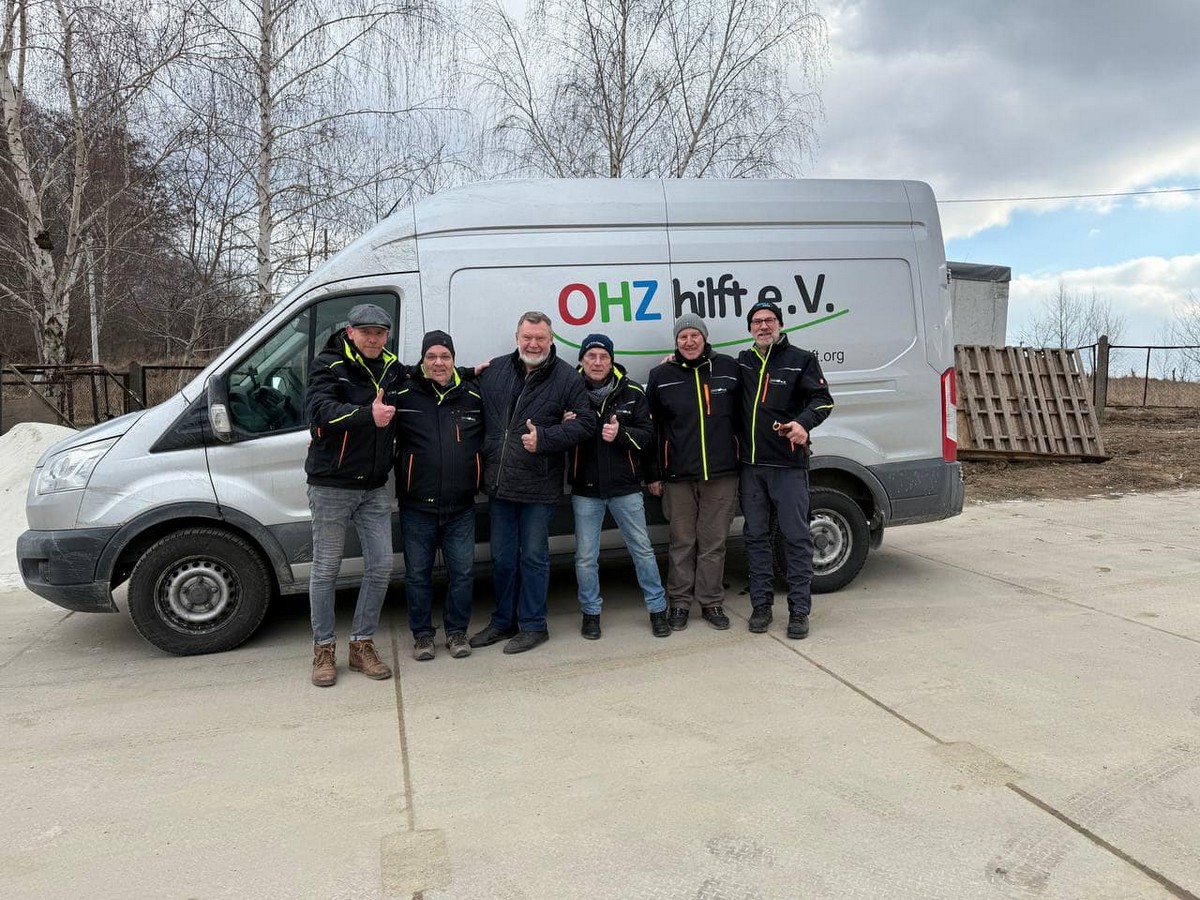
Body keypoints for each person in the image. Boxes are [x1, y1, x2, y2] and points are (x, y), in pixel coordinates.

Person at [470, 311, 594, 654]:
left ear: (551, 340)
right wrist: (466, 372)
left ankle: (534, 625)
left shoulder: (566, 377)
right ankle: (503, 622)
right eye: (527, 337)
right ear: (517, 338)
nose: (533, 344)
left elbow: (586, 423)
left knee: (534, 558)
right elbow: (454, 387)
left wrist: (547, 438)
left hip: (539, 487)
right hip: (500, 484)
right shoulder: (495, 370)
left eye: (540, 338)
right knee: (503, 559)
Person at [303, 303, 403, 687]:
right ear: (351, 332)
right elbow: (320, 411)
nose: (373, 339)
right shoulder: (328, 365)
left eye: (380, 332)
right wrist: (367, 415)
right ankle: (323, 649)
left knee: (381, 565)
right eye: (366, 332)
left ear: (387, 335)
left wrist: (470, 373)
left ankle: (361, 644)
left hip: (374, 486)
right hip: (332, 485)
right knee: (326, 569)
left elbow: (426, 377)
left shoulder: (392, 367)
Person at [736, 300, 834, 639]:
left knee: (796, 538)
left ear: (780, 324)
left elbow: (823, 400)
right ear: (750, 328)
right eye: (757, 322)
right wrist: (672, 360)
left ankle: (799, 612)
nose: (763, 326)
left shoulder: (801, 360)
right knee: (756, 538)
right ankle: (761, 607)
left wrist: (803, 424)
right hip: (751, 468)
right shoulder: (743, 362)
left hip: (788, 467)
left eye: (769, 320)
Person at [565, 333, 670, 640]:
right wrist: (564, 425)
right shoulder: (568, 392)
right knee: (585, 558)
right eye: (591, 356)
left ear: (612, 361)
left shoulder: (632, 391)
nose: (597, 362)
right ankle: (591, 614)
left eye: (604, 357)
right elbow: (553, 437)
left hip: (626, 487)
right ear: (582, 360)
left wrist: (622, 434)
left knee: (643, 551)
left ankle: (657, 610)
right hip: (586, 489)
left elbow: (648, 437)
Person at [392, 330, 484, 662]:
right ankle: (422, 636)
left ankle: (457, 632)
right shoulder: (404, 395)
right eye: (431, 356)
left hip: (461, 507)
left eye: (445, 356)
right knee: (418, 575)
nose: (438, 362)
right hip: (417, 506)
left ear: (454, 360)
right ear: (422, 361)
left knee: (463, 574)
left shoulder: (472, 396)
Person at [646, 313, 741, 632]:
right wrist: (654, 473)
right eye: (682, 337)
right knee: (682, 542)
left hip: (722, 473)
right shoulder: (661, 375)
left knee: (714, 542)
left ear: (704, 337)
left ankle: (711, 602)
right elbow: (652, 429)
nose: (689, 341)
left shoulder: (729, 368)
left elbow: (745, 416)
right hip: (678, 474)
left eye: (694, 335)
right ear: (676, 342)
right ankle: (679, 603)